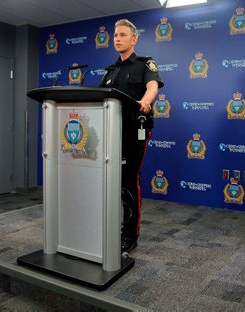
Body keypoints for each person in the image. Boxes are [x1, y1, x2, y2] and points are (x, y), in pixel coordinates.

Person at [99, 19, 164, 252]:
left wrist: (145, 102)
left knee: (128, 180)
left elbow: (152, 87)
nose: (117, 38)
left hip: (135, 130)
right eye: (115, 35)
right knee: (109, 180)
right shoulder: (111, 71)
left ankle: (130, 234)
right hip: (110, 131)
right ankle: (108, 226)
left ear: (133, 39)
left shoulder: (145, 64)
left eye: (123, 35)